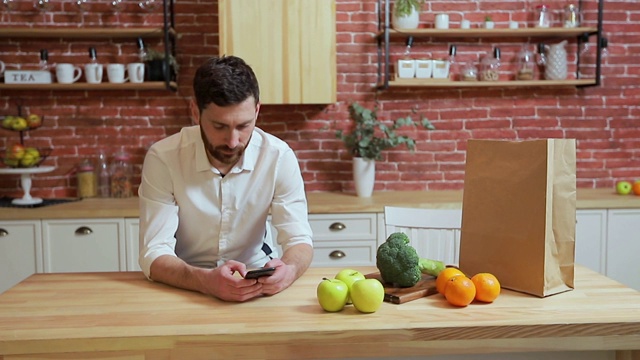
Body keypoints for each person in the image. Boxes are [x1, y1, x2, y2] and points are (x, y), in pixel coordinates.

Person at [138, 55, 313, 302]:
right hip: (185, 281)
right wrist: (204, 281)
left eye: (243, 126)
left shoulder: (279, 157)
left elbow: (299, 240)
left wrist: (290, 271)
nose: (232, 141)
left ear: (257, 111)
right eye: (219, 126)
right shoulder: (163, 158)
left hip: (258, 280)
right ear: (195, 112)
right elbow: (153, 253)